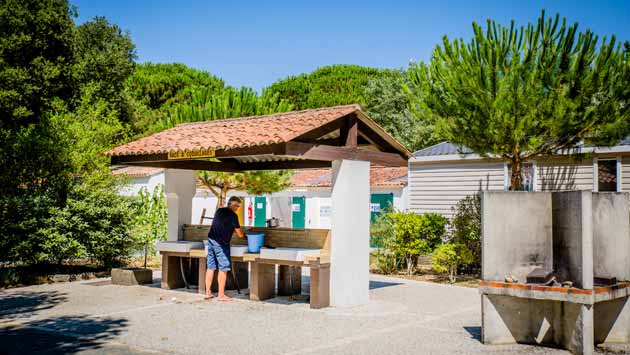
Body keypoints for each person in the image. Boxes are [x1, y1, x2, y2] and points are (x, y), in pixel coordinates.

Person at [205, 196, 245, 301]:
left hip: (211, 240)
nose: (237, 208)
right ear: (233, 205)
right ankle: (221, 295)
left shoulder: (219, 211)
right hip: (221, 244)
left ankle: (208, 292)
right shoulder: (233, 216)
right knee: (223, 268)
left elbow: (221, 224)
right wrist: (245, 236)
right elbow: (239, 234)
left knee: (211, 267)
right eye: (237, 206)